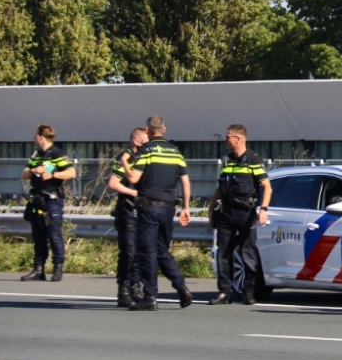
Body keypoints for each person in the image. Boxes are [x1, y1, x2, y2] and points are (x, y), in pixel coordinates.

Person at [120, 116, 192, 311]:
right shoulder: (176, 152)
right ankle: (181, 287)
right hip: (169, 207)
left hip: (149, 207)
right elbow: (185, 181)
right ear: (164, 130)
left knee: (147, 252)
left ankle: (150, 297)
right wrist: (186, 208)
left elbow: (133, 177)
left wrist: (124, 162)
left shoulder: (147, 150)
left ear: (147, 130)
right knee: (162, 250)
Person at [208, 124, 272, 306]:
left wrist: (264, 210)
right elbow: (221, 188)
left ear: (238, 139)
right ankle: (224, 292)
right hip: (226, 213)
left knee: (247, 253)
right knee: (224, 253)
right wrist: (212, 207)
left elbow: (267, 187)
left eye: (228, 137)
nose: (225, 140)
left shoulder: (253, 160)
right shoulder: (227, 160)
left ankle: (249, 292)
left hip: (246, 213)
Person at [20, 124, 77, 282]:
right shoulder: (37, 154)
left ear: (41, 137)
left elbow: (72, 172)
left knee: (54, 233)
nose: (33, 138)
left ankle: (58, 267)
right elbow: (24, 173)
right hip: (37, 199)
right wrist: (33, 170)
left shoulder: (57, 153)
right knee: (38, 235)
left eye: (35, 135)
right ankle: (39, 269)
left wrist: (53, 174)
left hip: (52, 199)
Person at [107, 128, 149, 306]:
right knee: (129, 252)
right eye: (146, 141)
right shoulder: (124, 158)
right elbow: (113, 184)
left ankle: (136, 286)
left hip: (143, 211)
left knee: (142, 251)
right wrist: (134, 193)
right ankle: (124, 288)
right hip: (127, 210)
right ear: (137, 141)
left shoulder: (146, 158)